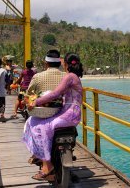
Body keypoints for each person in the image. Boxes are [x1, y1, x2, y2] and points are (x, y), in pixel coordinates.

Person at [23, 52, 83, 181]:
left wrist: (36, 102)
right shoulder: (73, 76)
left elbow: (55, 93)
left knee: (40, 125)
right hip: (72, 113)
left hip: (69, 114)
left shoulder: (69, 77)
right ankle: (47, 159)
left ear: (65, 64)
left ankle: (47, 165)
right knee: (44, 125)